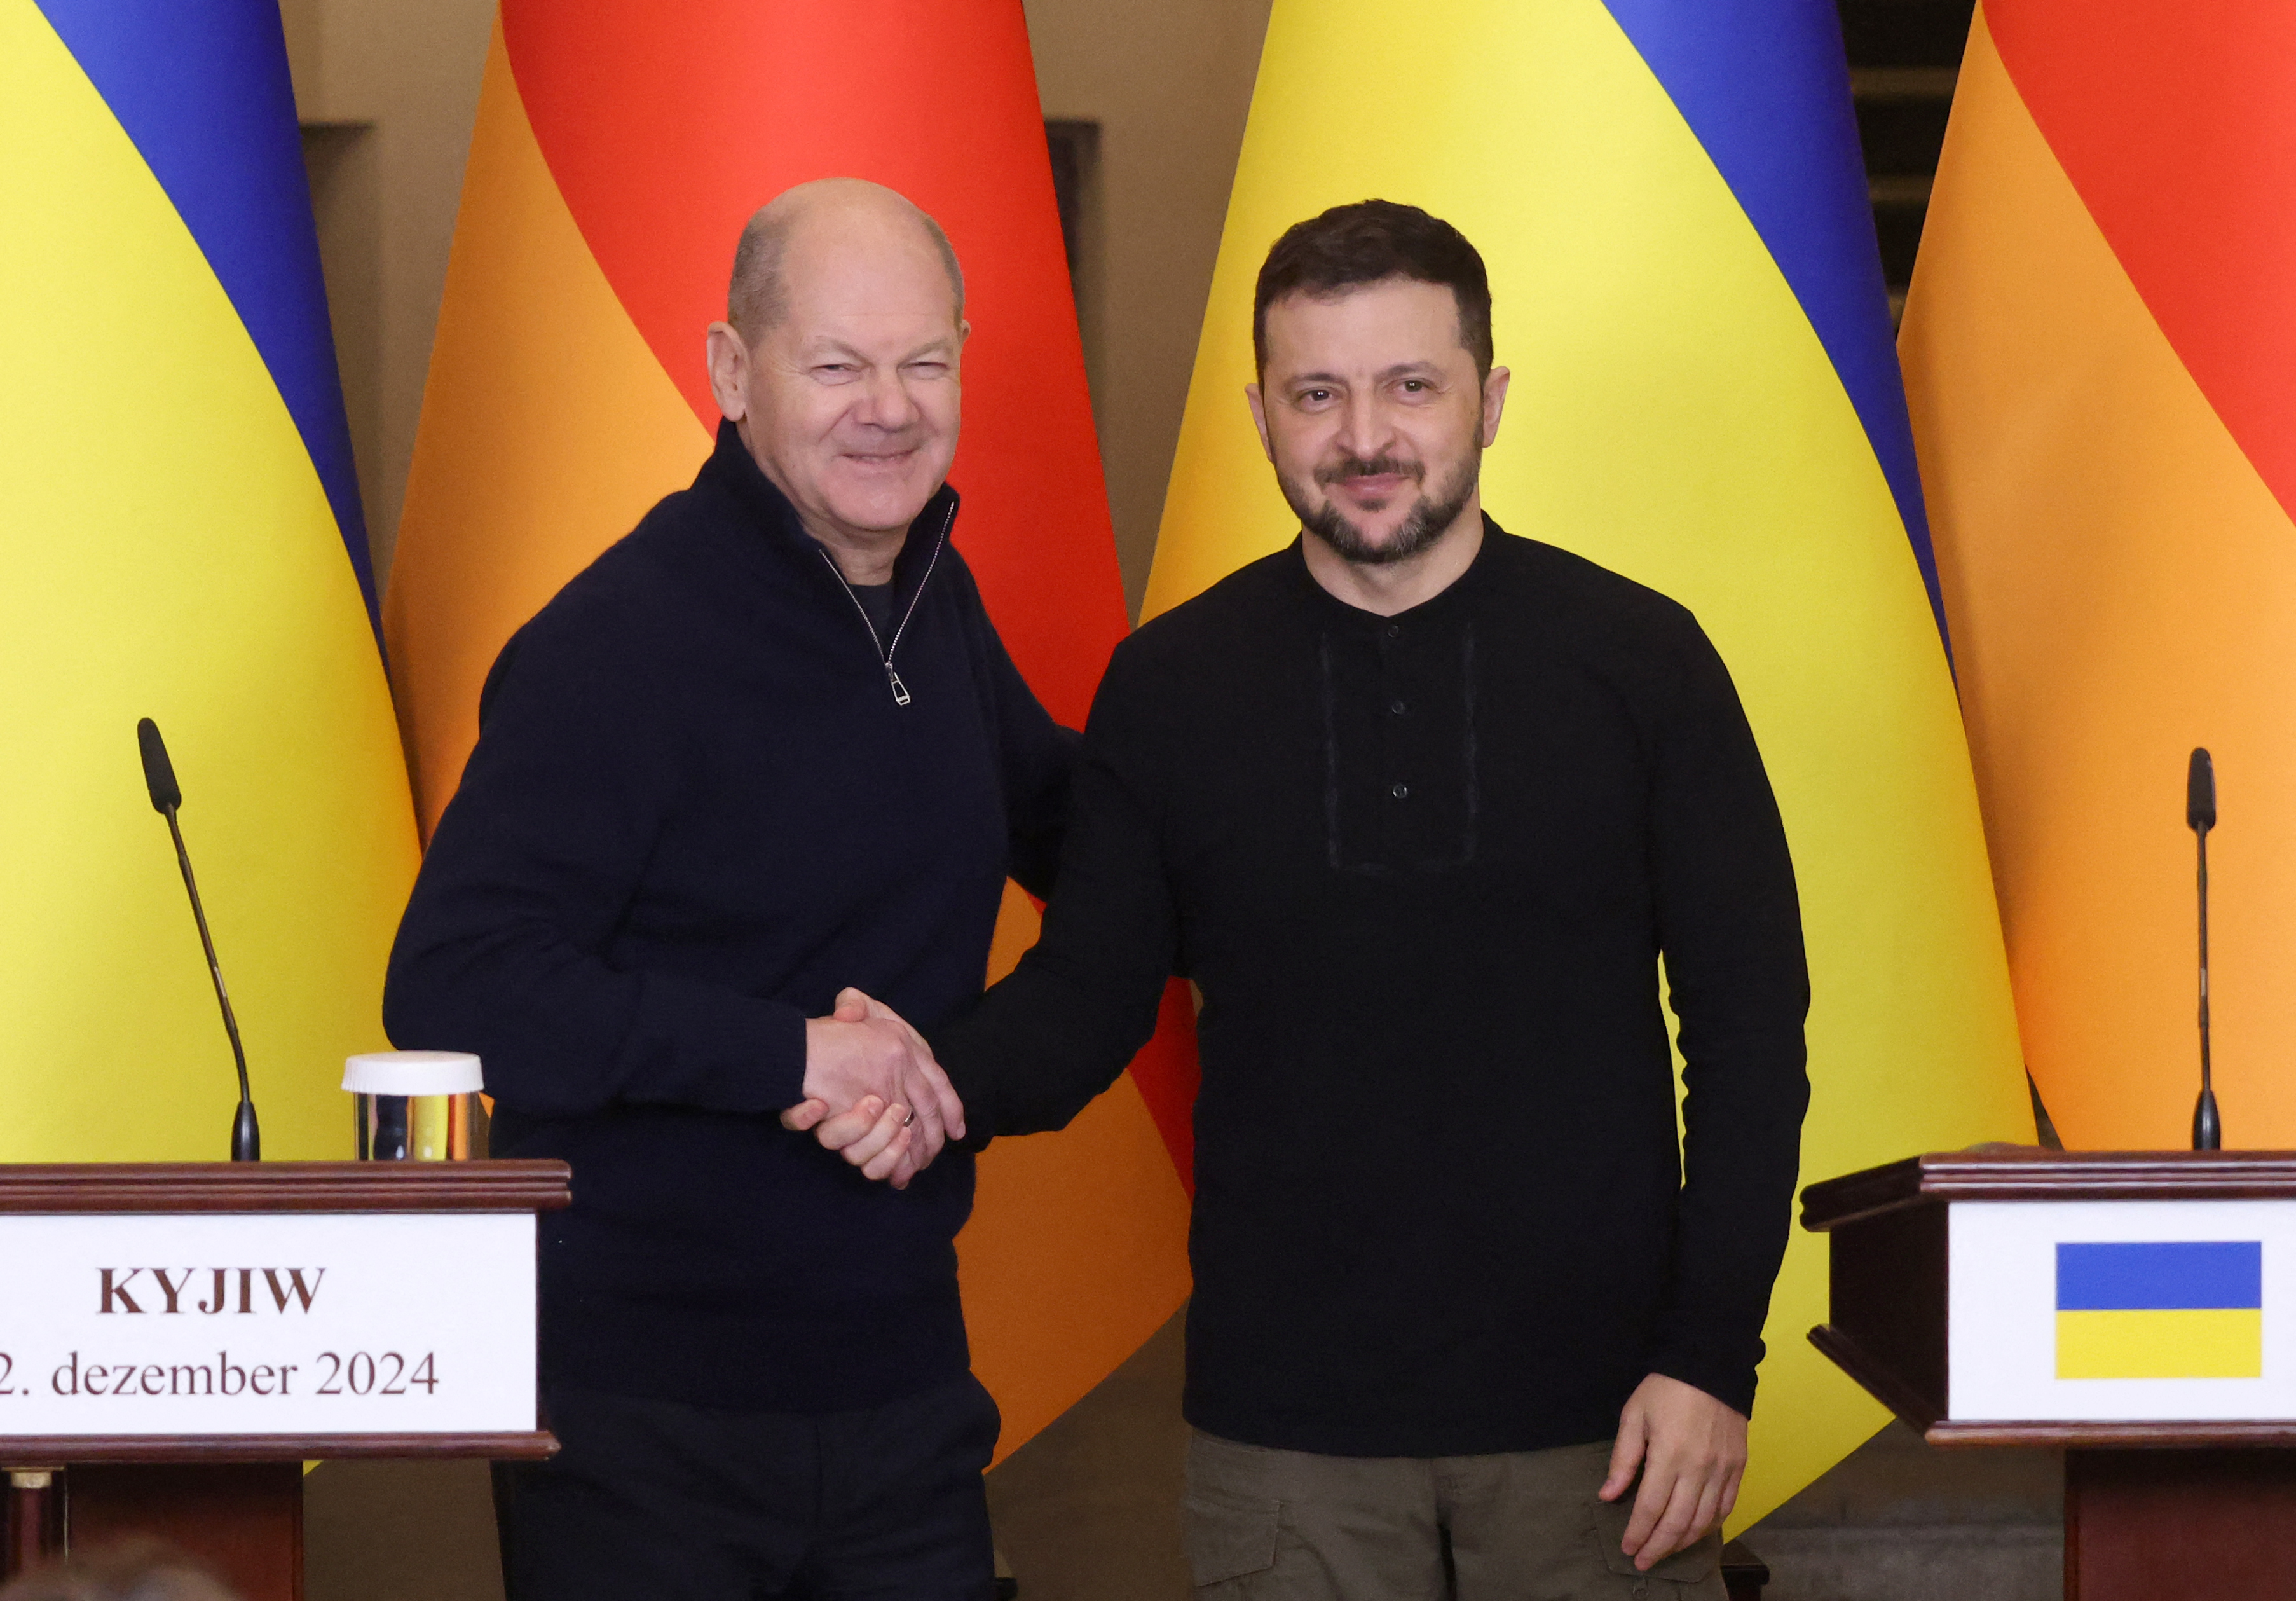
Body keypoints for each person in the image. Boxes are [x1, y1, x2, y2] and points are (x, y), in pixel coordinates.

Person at [804, 200, 1810, 1599]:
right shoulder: (1172, 687)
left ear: (1491, 399)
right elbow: (1088, 1001)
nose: (1366, 437)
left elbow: (1753, 1040)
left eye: (1412, 385)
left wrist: (1712, 1354)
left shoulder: (1645, 665)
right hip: (1286, 1449)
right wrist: (914, 1078)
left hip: (1609, 1433)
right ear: (1262, 415)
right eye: (1317, 393)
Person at [384, 177, 1074, 1600]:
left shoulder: (935, 600)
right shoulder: (615, 640)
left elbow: (1081, 832)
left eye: (924, 361)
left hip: (902, 1392)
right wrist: (794, 1053)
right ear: (729, 372)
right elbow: (455, 977)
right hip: (645, 1421)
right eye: (836, 364)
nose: (888, 404)